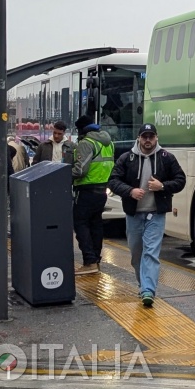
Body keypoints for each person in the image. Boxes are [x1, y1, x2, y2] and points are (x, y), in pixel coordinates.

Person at [108, 123, 185, 308]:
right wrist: (130, 191)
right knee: (136, 255)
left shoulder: (166, 158)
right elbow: (113, 181)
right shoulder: (127, 158)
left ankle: (148, 290)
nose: (148, 140)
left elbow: (180, 180)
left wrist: (162, 186)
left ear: (156, 138)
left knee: (150, 253)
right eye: (145, 137)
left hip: (155, 215)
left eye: (151, 136)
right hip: (134, 215)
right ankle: (143, 284)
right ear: (139, 138)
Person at [71, 115, 114, 275]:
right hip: (102, 190)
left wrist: (63, 173)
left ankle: (89, 261)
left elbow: (80, 170)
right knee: (96, 225)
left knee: (80, 224)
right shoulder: (108, 143)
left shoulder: (86, 143)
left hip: (86, 190)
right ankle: (96, 260)